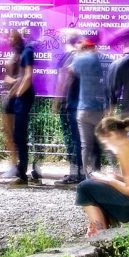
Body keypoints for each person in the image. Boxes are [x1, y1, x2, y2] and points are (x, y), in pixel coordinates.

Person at [68, 38, 108, 176]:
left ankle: (86, 176)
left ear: (84, 48)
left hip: (83, 108)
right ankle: (99, 172)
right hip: (100, 107)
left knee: (85, 145)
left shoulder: (80, 59)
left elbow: (71, 70)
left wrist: (78, 53)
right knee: (100, 142)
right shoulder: (104, 58)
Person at [2, 29, 36, 185]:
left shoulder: (27, 51)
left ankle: (22, 174)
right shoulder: (20, 53)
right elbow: (21, 77)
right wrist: (12, 93)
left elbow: (28, 77)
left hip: (24, 97)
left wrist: (17, 93)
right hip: (18, 97)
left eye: (11, 36)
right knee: (16, 135)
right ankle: (20, 171)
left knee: (20, 135)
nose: (9, 39)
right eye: (9, 37)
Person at [55, 30, 85, 185]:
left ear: (66, 39)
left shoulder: (68, 57)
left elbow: (64, 80)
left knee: (72, 139)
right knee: (80, 139)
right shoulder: (82, 57)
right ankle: (81, 172)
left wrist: (58, 100)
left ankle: (75, 173)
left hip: (70, 104)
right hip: (82, 103)